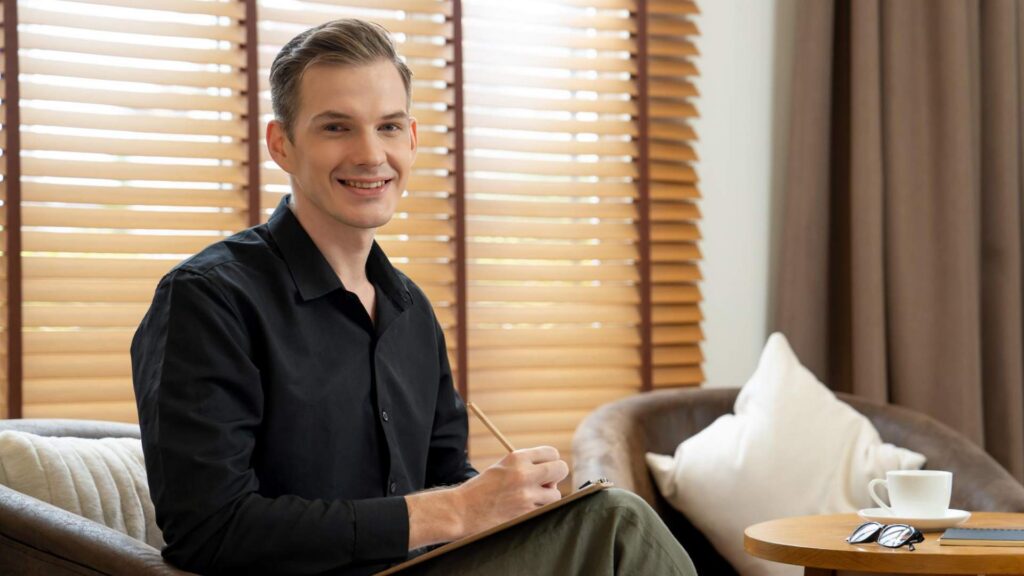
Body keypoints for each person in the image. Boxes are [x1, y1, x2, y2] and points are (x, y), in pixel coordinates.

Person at [131, 18, 697, 576]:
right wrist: (455, 509)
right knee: (618, 522)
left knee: (594, 518)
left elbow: (447, 479)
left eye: (389, 127)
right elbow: (209, 529)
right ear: (282, 144)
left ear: (413, 138)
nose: (370, 154)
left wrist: (507, 502)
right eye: (336, 128)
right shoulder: (208, 300)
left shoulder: (411, 311)